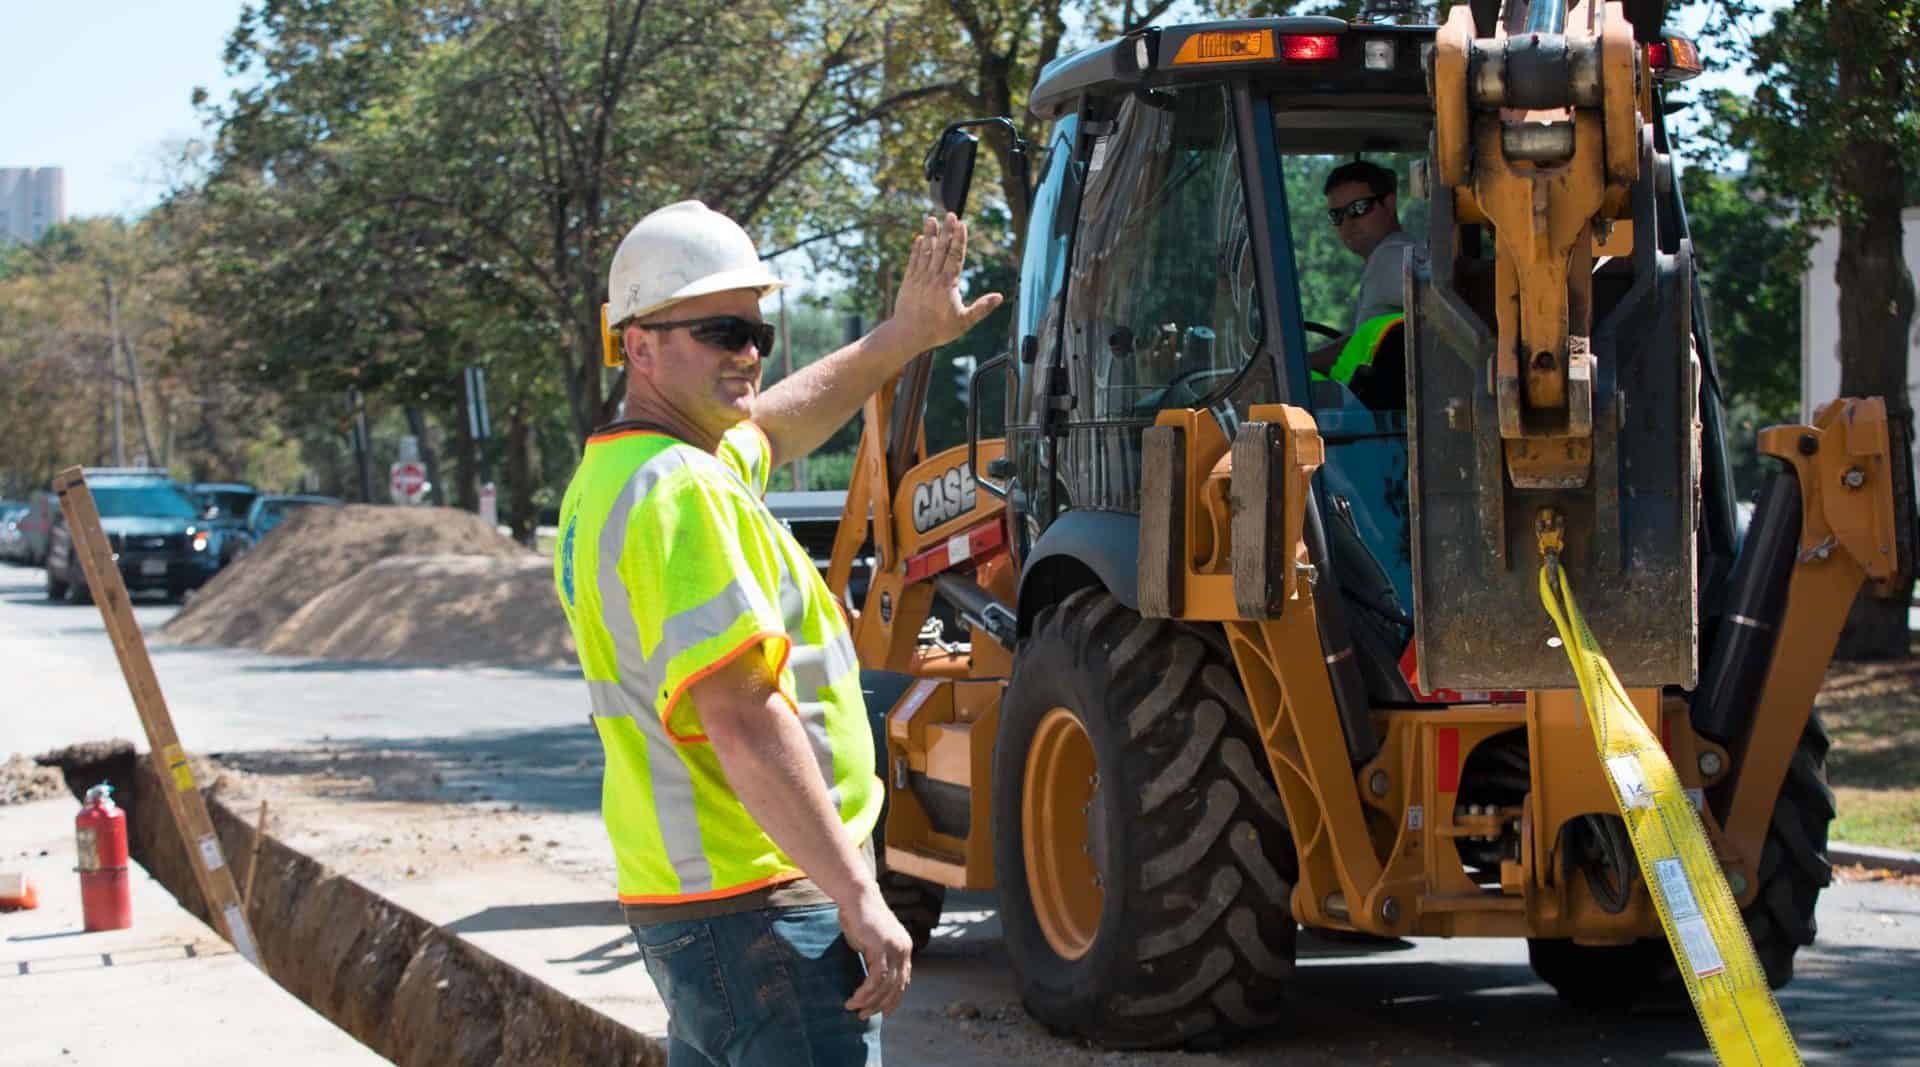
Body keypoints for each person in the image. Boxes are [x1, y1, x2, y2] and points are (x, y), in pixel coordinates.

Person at [554, 200, 1001, 1067]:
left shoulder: (620, 473)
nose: (749, 353)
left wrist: (903, 335)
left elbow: (779, 421)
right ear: (639, 347)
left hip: (695, 906)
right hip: (764, 903)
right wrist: (856, 890)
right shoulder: (685, 489)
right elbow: (746, 720)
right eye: (722, 330)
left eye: (758, 330)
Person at [1309, 159, 1424, 380]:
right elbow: (1359, 342)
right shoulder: (1390, 257)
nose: (1347, 224)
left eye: (1358, 208)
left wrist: (1296, 365)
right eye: (1337, 216)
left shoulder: (1392, 257)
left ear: (1389, 205)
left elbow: (1442, 306)